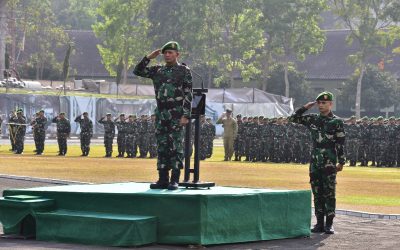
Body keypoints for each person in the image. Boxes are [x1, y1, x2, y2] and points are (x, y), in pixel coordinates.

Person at [134, 41, 192, 190]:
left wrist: (186, 115)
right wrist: (148, 58)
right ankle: (162, 179)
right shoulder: (157, 71)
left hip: (176, 114)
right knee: (162, 147)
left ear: (177, 54)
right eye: (165, 53)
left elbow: (188, 94)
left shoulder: (184, 71)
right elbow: (137, 71)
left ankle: (175, 179)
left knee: (175, 146)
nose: (167, 55)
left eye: (170, 53)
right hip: (161, 114)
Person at [288, 91, 345, 234]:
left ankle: (329, 224)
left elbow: (341, 142)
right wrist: (305, 108)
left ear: (330, 104)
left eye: (324, 103)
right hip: (315, 161)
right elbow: (293, 118)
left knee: (329, 193)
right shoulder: (312, 119)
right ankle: (319, 223)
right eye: (319, 103)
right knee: (317, 192)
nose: (320, 105)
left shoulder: (336, 122)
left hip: (329, 161)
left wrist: (341, 162)